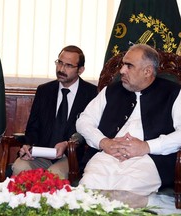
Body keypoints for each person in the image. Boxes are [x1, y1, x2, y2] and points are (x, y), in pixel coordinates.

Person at [76, 44, 181, 195]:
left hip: (149, 159)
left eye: (129, 66)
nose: (121, 71)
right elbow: (84, 121)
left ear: (147, 71)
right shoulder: (111, 90)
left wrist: (147, 146)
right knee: (86, 190)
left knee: (125, 194)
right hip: (107, 156)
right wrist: (103, 142)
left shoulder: (173, 93)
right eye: (123, 64)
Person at [12, 45, 98, 179]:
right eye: (60, 63)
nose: (61, 69)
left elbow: (92, 131)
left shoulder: (92, 93)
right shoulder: (44, 90)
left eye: (68, 65)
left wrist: (68, 144)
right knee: (19, 167)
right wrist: (28, 146)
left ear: (80, 70)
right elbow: (33, 127)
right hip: (40, 154)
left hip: (70, 156)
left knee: (54, 175)